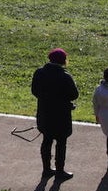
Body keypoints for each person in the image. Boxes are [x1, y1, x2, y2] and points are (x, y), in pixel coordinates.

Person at [31, 47, 79, 180]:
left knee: (46, 141)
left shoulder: (39, 73)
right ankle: (60, 171)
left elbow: (34, 91)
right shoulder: (65, 76)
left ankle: (46, 169)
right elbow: (74, 95)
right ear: (63, 61)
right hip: (61, 116)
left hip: (44, 113)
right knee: (61, 143)